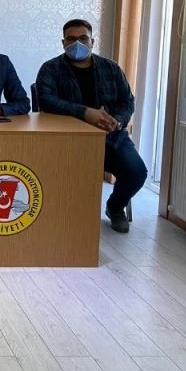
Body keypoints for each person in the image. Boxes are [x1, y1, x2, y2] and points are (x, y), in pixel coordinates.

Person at [36, 19, 147, 233]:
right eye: (71, 39)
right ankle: (62, 215)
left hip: (111, 137)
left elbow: (128, 101)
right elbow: (47, 101)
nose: (77, 43)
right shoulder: (50, 69)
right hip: (68, 141)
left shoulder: (111, 68)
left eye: (83, 38)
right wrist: (86, 113)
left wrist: (118, 120)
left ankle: (115, 207)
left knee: (136, 171)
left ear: (92, 41)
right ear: (63, 43)